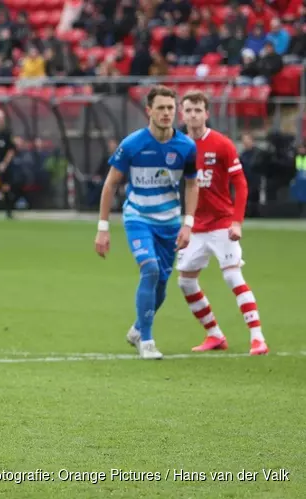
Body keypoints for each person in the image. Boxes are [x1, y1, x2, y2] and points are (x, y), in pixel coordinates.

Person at [94, 85, 199, 360]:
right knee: (150, 270)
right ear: (149, 111)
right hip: (138, 217)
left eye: (170, 108)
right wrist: (103, 228)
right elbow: (110, 185)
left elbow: (191, 184)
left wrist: (188, 223)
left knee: (162, 284)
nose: (166, 113)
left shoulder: (187, 147)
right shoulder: (132, 144)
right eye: (161, 108)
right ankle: (148, 340)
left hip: (169, 223)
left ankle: (138, 328)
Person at [177, 91, 268, 355]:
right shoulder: (179, 145)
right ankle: (215, 335)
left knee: (231, 275)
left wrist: (237, 222)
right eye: (189, 110)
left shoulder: (222, 144)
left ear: (207, 113)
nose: (193, 115)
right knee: (185, 281)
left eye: (198, 110)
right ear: (183, 114)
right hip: (195, 226)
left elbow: (240, 184)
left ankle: (257, 338)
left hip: (221, 223)